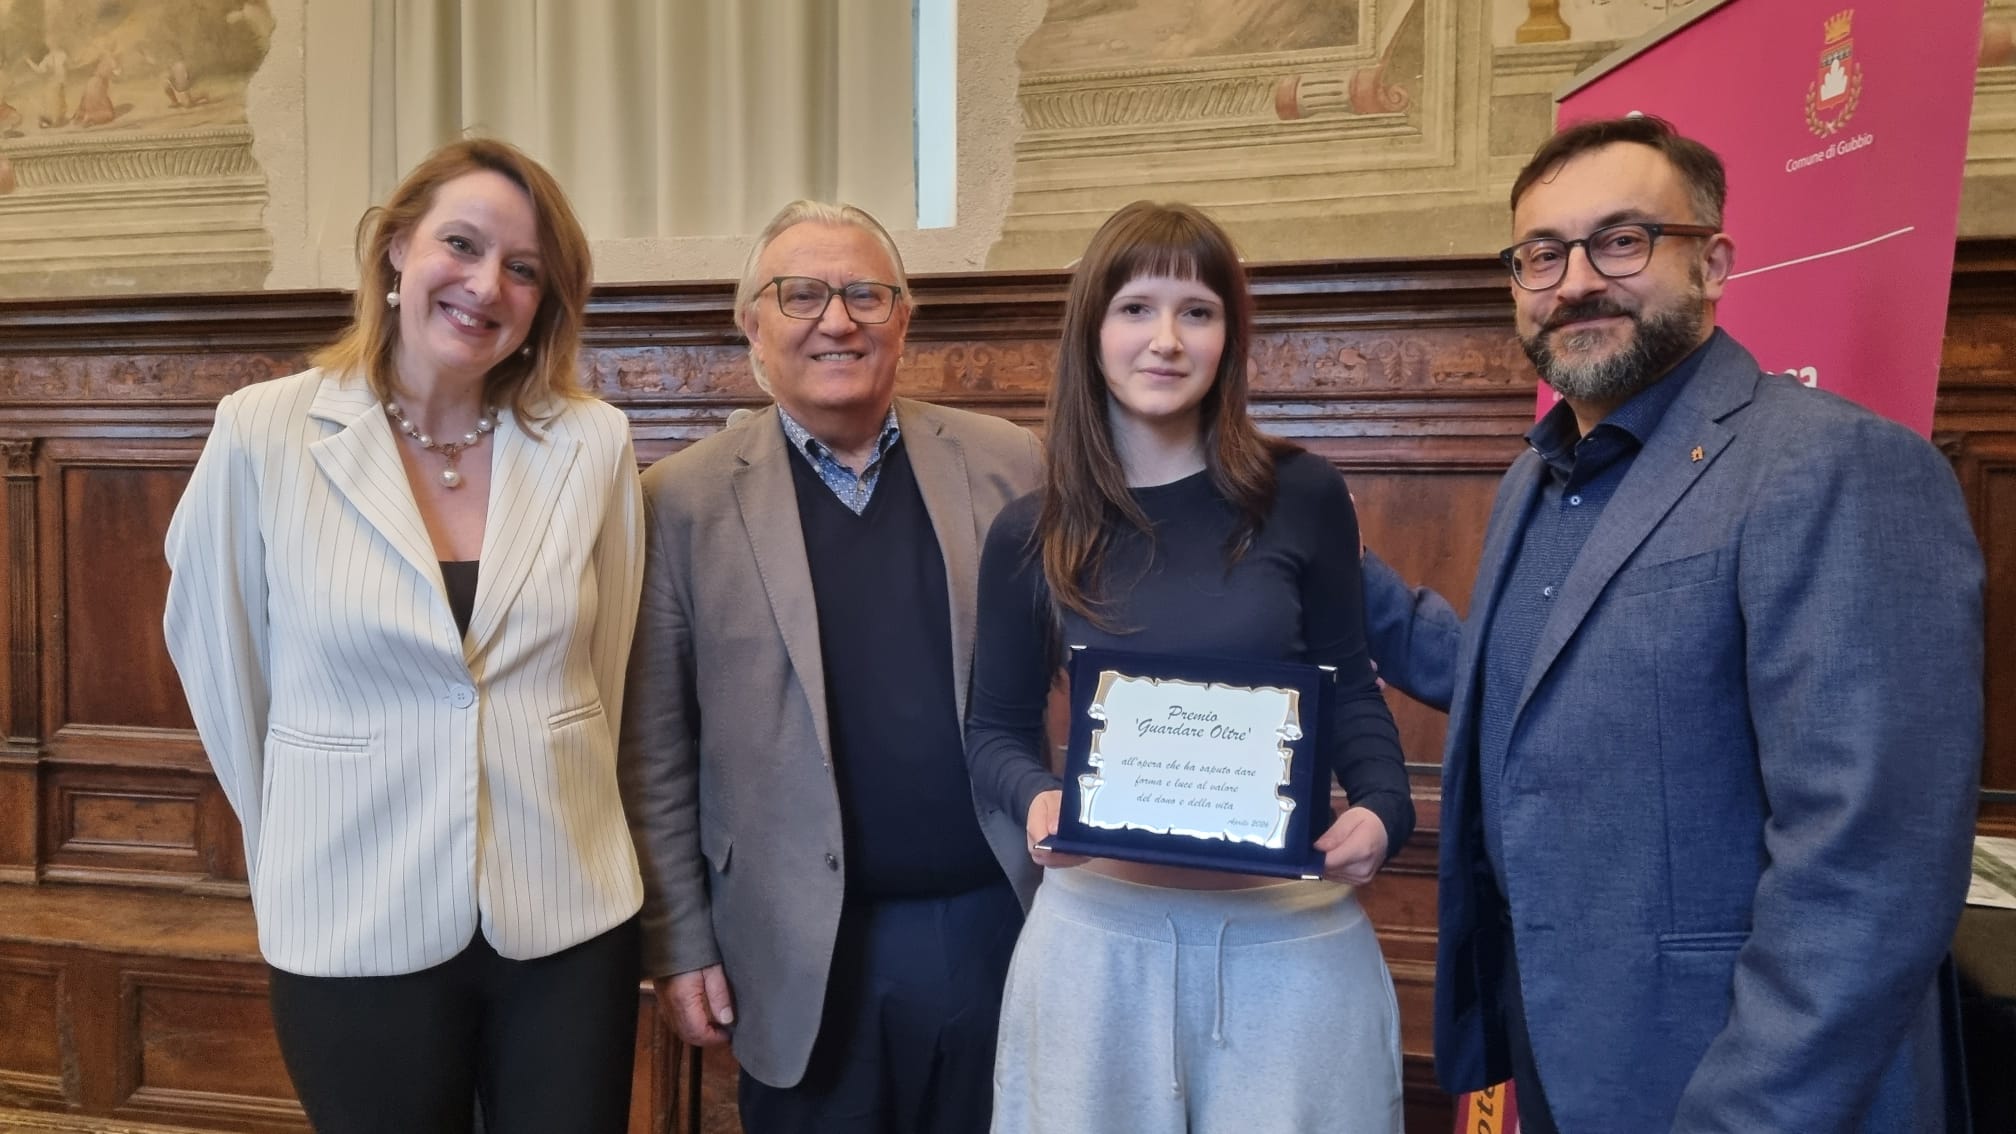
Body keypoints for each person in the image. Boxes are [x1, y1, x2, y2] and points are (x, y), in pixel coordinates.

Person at [1361, 115, 1984, 1132]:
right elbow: (1522, 685)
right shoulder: (1536, 478)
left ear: (1715, 262)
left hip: (1746, 1091)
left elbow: (1869, 864)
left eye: (1622, 241)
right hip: (1568, 1060)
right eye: (1542, 255)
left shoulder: (1833, 466)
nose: (1575, 283)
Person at [163, 137, 646, 1134]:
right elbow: (220, 666)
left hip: (563, 911)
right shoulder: (265, 431)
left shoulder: (592, 441)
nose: (486, 285)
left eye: (523, 268)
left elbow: (604, 672)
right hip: (351, 906)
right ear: (393, 250)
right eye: (460, 245)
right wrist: (302, 828)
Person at [965, 200, 1413, 1133]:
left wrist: (1383, 805)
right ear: (1092, 331)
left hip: (1288, 948)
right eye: (1136, 309)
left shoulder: (1305, 496)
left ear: (1228, 337)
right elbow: (995, 730)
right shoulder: (1030, 533)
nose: (1165, 339)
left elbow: (1349, 682)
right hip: (1096, 946)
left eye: (1197, 312)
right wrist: (1036, 799)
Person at [618, 200, 1044, 1134]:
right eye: (801, 294)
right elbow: (654, 752)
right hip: (799, 948)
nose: (837, 319)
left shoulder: (1011, 464)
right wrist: (679, 943)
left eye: (865, 294)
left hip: (1000, 921)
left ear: (903, 319)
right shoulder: (677, 503)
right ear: (752, 324)